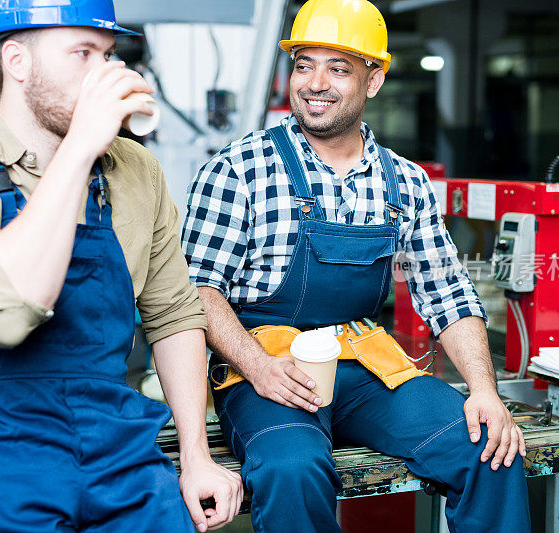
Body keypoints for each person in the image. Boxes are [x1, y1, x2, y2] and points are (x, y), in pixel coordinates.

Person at [181, 0, 530, 531]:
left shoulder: (404, 181)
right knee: (292, 469)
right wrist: (257, 366)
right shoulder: (239, 170)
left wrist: (483, 390)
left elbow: (448, 292)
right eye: (304, 64)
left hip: (365, 366)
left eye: (338, 67)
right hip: (266, 373)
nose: (315, 82)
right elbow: (198, 292)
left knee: (489, 448)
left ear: (374, 79)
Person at [0, 0, 242, 531]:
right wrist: (79, 149)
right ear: (16, 61)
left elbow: (173, 315)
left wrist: (196, 456)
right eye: (82, 53)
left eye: (107, 55)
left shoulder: (136, 172)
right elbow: (5, 315)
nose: (104, 74)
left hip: (115, 443)